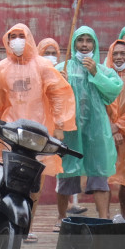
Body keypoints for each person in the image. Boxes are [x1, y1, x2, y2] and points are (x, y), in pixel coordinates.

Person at [0, 24, 76, 241]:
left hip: (38, 132)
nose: (17, 40)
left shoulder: (43, 66)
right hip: (10, 132)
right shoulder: (2, 67)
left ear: (29, 38)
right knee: (9, 180)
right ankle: (7, 225)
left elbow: (59, 94)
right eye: (13, 36)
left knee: (34, 183)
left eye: (21, 36)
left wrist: (60, 126)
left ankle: (27, 227)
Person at [55, 26, 121, 223]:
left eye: (89, 40)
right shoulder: (62, 69)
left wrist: (95, 74)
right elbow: (50, 94)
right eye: (80, 40)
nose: (84, 45)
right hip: (71, 132)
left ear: (95, 44)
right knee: (67, 174)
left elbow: (112, 93)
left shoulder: (104, 71)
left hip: (97, 132)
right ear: (74, 43)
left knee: (99, 173)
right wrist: (59, 83)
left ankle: (103, 218)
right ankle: (61, 218)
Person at [37, 38, 88, 216]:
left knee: (66, 168)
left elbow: (68, 99)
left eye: (53, 53)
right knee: (39, 171)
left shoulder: (63, 71)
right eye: (46, 53)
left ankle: (65, 210)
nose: (50, 57)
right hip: (41, 126)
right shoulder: (35, 71)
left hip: (61, 130)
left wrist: (64, 83)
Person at [106, 39, 125, 219]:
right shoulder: (104, 76)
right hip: (105, 134)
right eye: (115, 53)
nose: (119, 57)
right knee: (103, 177)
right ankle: (105, 217)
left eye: (123, 53)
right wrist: (111, 129)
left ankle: (124, 215)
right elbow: (100, 105)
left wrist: (119, 126)